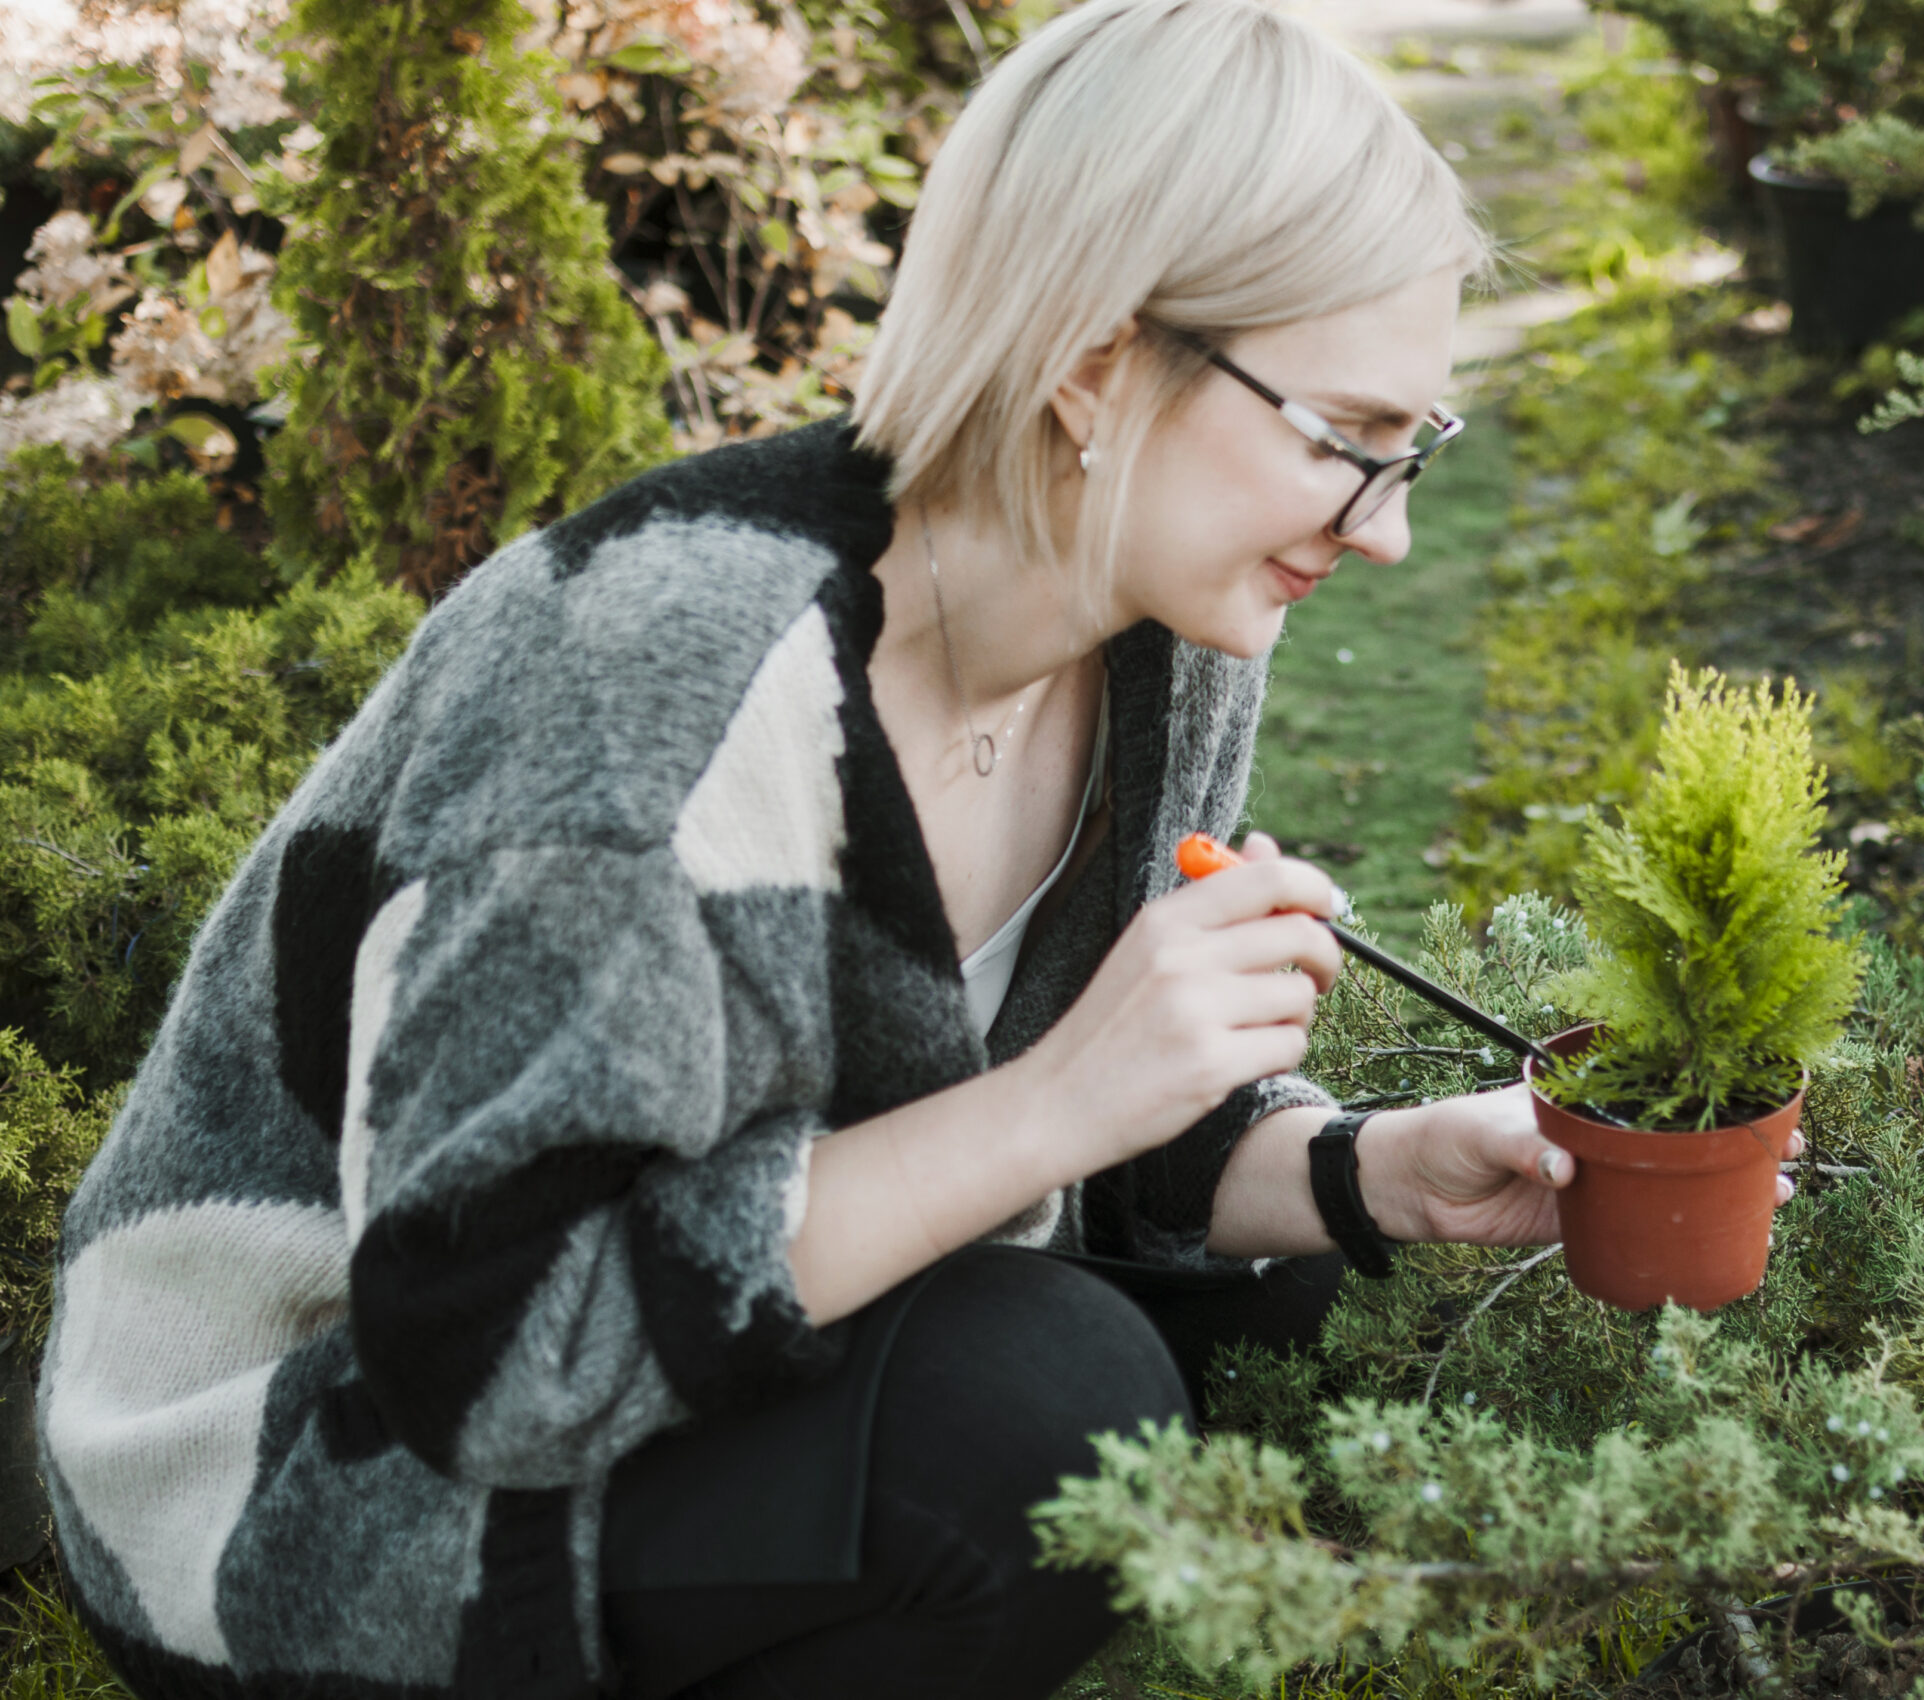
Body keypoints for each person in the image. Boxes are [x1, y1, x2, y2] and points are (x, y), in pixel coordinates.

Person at [37, 1, 1801, 1696]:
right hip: (308, 1461)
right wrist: (1054, 1105)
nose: (1392, 532)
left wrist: (1379, 1169)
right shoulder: (655, 680)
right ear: (1098, 368)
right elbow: (489, 1350)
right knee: (1034, 1410)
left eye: (1416, 448)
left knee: (1306, 1309)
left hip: (683, 1336)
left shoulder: (1156, 638)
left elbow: (1087, 1142)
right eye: (1348, 444)